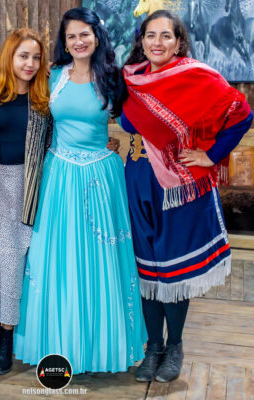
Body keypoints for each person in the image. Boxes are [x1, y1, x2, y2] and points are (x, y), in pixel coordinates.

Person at [121, 10, 253, 383]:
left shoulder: (196, 76)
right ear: (141, 40)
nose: (157, 42)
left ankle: (175, 346)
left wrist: (211, 155)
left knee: (174, 267)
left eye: (166, 35)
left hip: (180, 186)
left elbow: (241, 113)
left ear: (179, 42)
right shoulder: (131, 79)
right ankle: (153, 348)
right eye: (151, 35)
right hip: (139, 178)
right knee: (147, 267)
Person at [14, 7, 147, 374]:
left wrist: (120, 144)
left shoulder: (113, 78)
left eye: (84, 34)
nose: (78, 41)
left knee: (101, 261)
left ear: (96, 36)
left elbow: (135, 119)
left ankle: (99, 348)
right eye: (71, 36)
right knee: (58, 259)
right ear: (65, 41)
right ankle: (60, 346)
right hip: (59, 177)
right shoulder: (52, 76)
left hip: (101, 177)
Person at [0, 28, 51, 375]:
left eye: (36, 57)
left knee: (13, 263)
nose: (30, 63)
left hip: (28, 188)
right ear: (9, 57)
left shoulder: (44, 101)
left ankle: (6, 335)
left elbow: (58, 142)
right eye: (23, 56)